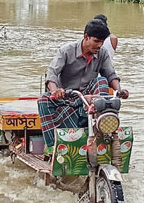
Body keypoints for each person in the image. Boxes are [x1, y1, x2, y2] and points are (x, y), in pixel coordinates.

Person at [38, 19, 129, 152]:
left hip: (88, 98)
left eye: (102, 42)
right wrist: (55, 90)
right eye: (96, 41)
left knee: (102, 81)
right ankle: (52, 146)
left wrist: (119, 90)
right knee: (43, 100)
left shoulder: (102, 53)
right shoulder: (66, 51)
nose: (100, 45)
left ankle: (102, 128)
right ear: (86, 37)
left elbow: (111, 75)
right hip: (66, 96)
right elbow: (52, 72)